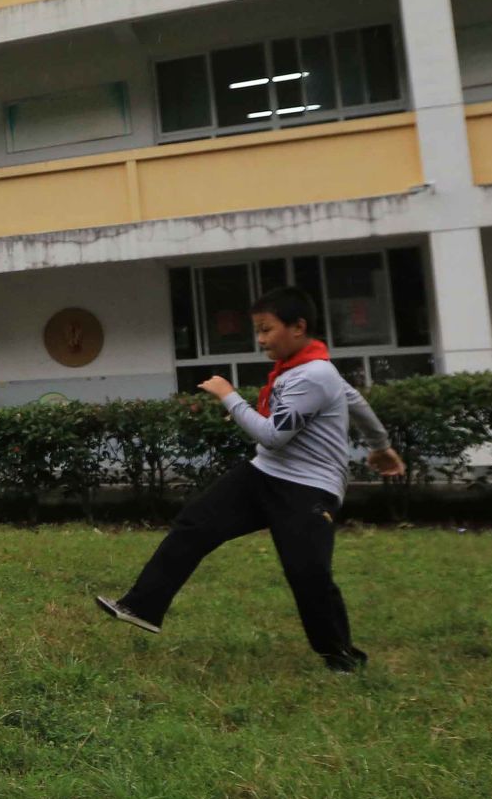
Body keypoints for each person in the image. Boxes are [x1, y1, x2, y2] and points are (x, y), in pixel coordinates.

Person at [96, 285, 404, 672]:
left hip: (308, 488)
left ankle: (340, 655)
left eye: (266, 329)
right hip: (263, 474)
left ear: (298, 327)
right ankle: (141, 606)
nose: (260, 340)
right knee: (194, 524)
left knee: (307, 573)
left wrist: (229, 396)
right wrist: (380, 445)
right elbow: (355, 401)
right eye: (257, 330)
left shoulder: (314, 374)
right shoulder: (300, 370)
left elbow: (273, 433)